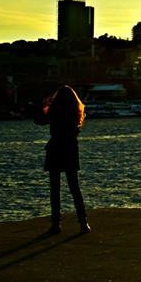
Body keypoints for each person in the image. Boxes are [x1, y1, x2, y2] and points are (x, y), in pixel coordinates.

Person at [35, 85, 90, 234]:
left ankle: (56, 224)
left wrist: (44, 104)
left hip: (55, 149)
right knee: (74, 187)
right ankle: (83, 222)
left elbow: (39, 120)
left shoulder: (55, 111)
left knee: (55, 189)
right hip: (71, 149)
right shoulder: (76, 112)